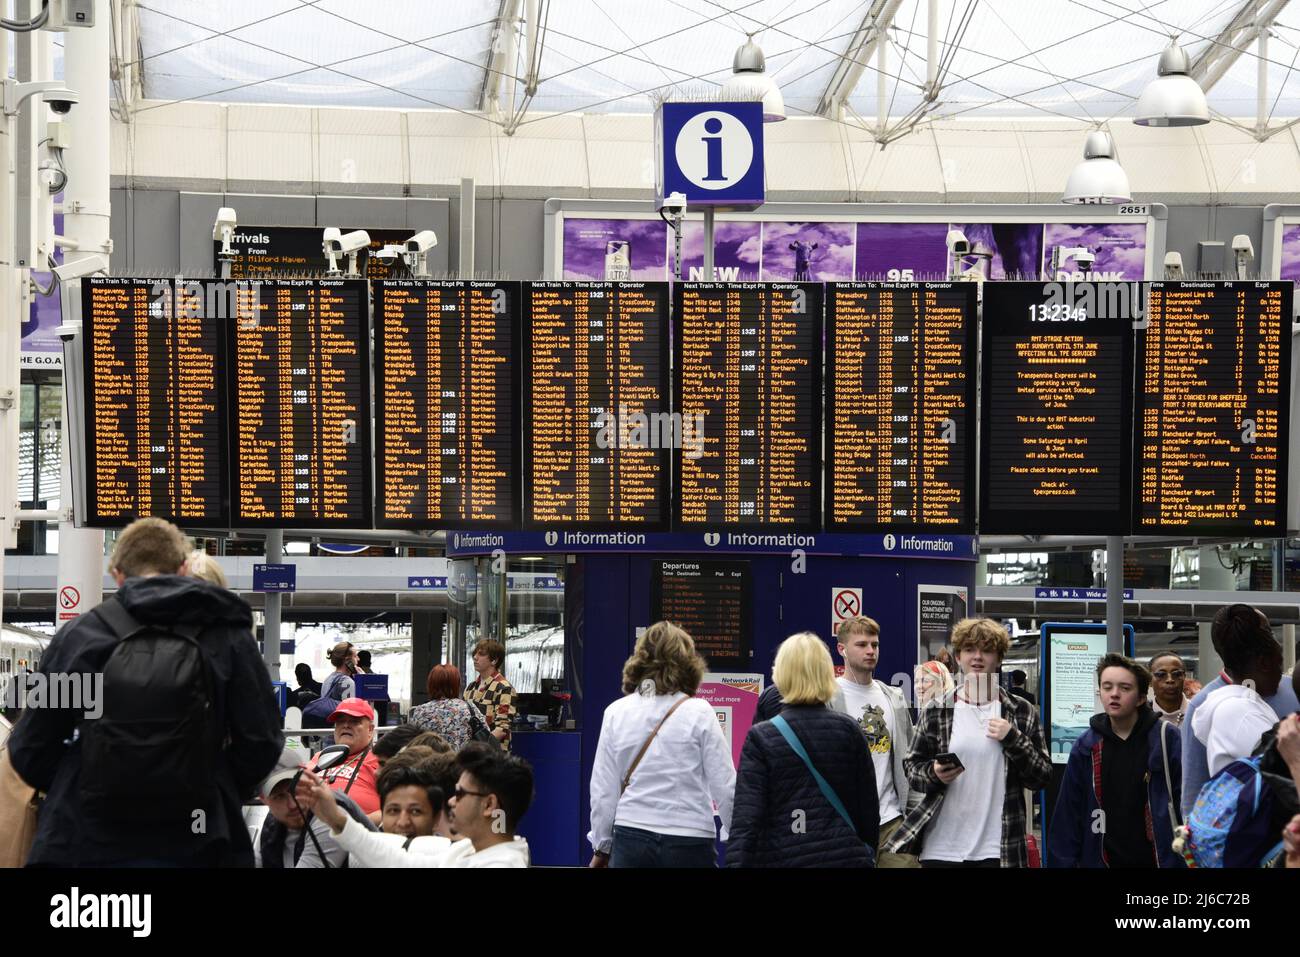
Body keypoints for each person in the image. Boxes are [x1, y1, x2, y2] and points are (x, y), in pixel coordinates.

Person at [6, 516, 282, 866]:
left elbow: (30, 747)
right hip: (199, 837)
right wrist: (211, 781)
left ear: (117, 573)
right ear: (183, 568)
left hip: (90, 840)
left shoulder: (81, 639)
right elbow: (262, 741)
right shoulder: (226, 637)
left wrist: (83, 780)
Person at [885, 617, 1051, 868]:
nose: (977, 657)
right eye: (970, 649)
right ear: (958, 657)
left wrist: (1014, 739)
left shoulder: (1020, 711)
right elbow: (912, 769)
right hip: (941, 848)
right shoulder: (937, 709)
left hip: (999, 849)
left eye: (986, 650)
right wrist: (935, 773)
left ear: (998, 658)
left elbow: (1042, 777)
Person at [588, 621, 735, 868]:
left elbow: (604, 789)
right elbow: (725, 784)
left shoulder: (616, 712)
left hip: (632, 835)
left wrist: (602, 846)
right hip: (690, 836)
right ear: (689, 664)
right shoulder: (700, 712)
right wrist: (736, 836)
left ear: (639, 659)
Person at [728, 632, 878, 868]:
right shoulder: (849, 730)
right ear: (826, 673)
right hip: (846, 858)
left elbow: (746, 821)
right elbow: (868, 812)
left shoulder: (762, 737)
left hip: (784, 857)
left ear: (781, 673)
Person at [1048, 654, 1183, 868]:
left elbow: (1183, 803)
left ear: (1140, 697)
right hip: (1102, 860)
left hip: (1156, 860)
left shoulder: (1166, 739)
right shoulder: (1087, 746)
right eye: (1107, 687)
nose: (1114, 694)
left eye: (1125, 688)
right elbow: (1069, 813)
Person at [302, 742, 533, 867]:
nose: (451, 801)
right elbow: (400, 861)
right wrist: (336, 819)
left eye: (460, 793)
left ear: (489, 805)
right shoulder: (477, 849)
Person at [1181, 604, 1298, 820]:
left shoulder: (1294, 690)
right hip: (1249, 841)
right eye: (1269, 633)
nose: (1276, 641)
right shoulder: (1202, 706)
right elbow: (1194, 795)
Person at [832, 616, 915, 867]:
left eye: (875, 645)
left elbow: (910, 758)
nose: (870, 651)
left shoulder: (894, 697)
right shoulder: (827, 697)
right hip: (845, 822)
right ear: (842, 649)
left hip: (892, 820)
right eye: (861, 644)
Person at [252, 746, 375, 868]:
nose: (293, 804)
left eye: (296, 789)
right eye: (279, 797)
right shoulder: (270, 825)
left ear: (308, 777)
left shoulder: (327, 816)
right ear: (264, 799)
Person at [314, 697, 383, 816]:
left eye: (354, 721)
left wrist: (355, 826)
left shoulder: (380, 761)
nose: (345, 725)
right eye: (340, 721)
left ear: (370, 730)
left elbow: (397, 808)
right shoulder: (321, 756)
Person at [410, 664, 493, 751]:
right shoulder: (469, 708)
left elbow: (412, 743)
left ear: (431, 684)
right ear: (456, 684)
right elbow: (485, 735)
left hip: (430, 762)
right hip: (461, 762)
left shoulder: (420, 711)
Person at [464, 639, 516, 750]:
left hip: (493, 756)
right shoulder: (471, 687)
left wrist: (476, 747)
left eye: (481, 654)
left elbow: (502, 729)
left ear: (494, 661)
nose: (475, 657)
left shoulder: (504, 688)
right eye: (475, 653)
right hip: (472, 756)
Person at [1149, 653, 1189, 726]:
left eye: (1176, 674)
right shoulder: (1139, 716)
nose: (1170, 680)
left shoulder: (1199, 711)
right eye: (1161, 675)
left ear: (1184, 677)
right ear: (1150, 680)